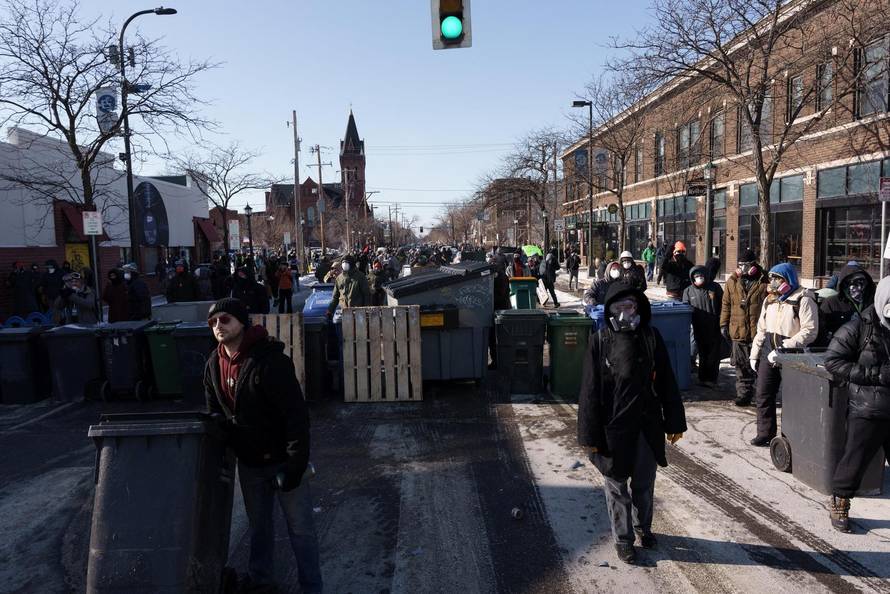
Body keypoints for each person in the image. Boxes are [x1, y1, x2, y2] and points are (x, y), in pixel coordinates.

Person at [203, 298, 322, 592]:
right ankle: (261, 582)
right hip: (251, 464)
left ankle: (312, 586)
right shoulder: (213, 364)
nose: (219, 326)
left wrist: (296, 463)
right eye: (214, 322)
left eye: (225, 320)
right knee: (259, 528)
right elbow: (214, 415)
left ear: (242, 323)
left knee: (301, 530)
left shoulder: (270, 361)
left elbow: (295, 414)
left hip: (284, 460)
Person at [577, 282, 687, 565]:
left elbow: (667, 382)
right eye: (619, 307)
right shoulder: (600, 341)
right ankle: (623, 539)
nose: (625, 313)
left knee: (644, 482)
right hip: (612, 427)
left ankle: (643, 528)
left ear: (639, 309)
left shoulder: (651, 337)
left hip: (647, 424)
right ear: (610, 311)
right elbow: (589, 390)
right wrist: (589, 435)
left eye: (630, 307)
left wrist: (674, 420)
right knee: (615, 484)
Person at [823, 276, 890, 533]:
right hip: (868, 407)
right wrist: (875, 375)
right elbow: (833, 361)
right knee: (855, 459)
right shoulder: (859, 327)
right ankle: (840, 500)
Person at [749, 263, 819, 446]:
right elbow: (761, 329)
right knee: (763, 394)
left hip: (791, 354)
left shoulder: (803, 300)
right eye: (771, 278)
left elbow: (810, 330)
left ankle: (791, 437)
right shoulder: (770, 300)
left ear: (787, 279)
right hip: (768, 352)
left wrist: (785, 346)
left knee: (791, 398)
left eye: (777, 278)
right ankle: (765, 432)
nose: (772, 282)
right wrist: (754, 353)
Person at [720, 250, 768, 406]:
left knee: (760, 366)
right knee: (741, 367)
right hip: (738, 330)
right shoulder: (732, 282)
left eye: (746, 265)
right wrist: (723, 324)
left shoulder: (764, 281)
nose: (742, 268)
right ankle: (743, 395)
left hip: (758, 331)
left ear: (753, 265)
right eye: (740, 265)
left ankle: (760, 395)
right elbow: (726, 305)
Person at [683, 265, 724, 387]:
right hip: (698, 327)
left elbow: (723, 304)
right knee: (702, 353)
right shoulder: (688, 291)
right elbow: (685, 308)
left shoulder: (714, 287)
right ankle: (702, 378)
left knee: (714, 355)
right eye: (696, 276)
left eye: (701, 276)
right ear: (692, 278)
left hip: (714, 326)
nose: (699, 278)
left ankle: (712, 379)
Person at [819, 263, 874, 346]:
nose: (859, 288)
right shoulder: (831, 303)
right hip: (838, 351)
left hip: (867, 353)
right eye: (854, 284)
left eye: (862, 283)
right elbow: (822, 334)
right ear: (845, 284)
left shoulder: (872, 303)